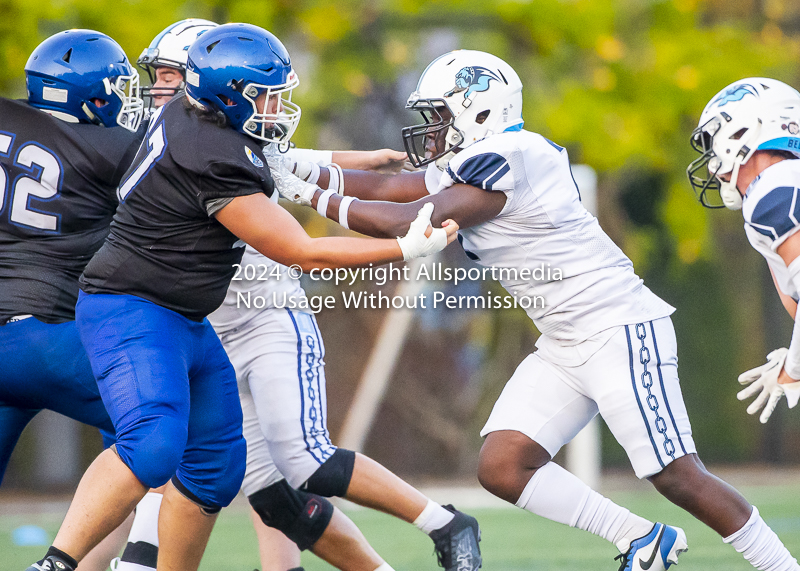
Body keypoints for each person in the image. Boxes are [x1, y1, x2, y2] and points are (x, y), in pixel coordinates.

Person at [272, 49, 800, 571]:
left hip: (616, 326)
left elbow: (405, 219)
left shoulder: (516, 154)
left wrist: (307, 196)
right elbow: (386, 187)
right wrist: (287, 163)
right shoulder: (480, 160)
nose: (431, 130)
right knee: (503, 466)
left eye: (439, 115)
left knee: (676, 475)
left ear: (479, 110)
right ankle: (642, 537)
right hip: (564, 340)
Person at [23, 23, 456, 571]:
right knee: (154, 443)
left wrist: (367, 163)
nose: (278, 107)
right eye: (268, 95)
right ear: (229, 94)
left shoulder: (192, 116)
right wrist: (403, 249)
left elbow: (293, 163)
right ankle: (56, 563)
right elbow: (301, 252)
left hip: (184, 318)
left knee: (217, 466)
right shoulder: (213, 154)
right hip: (134, 309)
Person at [0, 29, 143, 485]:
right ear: (94, 100)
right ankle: (117, 557)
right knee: (178, 423)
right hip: (39, 339)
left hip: (18, 333)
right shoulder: (112, 148)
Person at [687, 77, 800, 424]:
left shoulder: (773, 190)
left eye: (714, 142)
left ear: (744, 133)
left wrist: (793, 367)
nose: (711, 166)